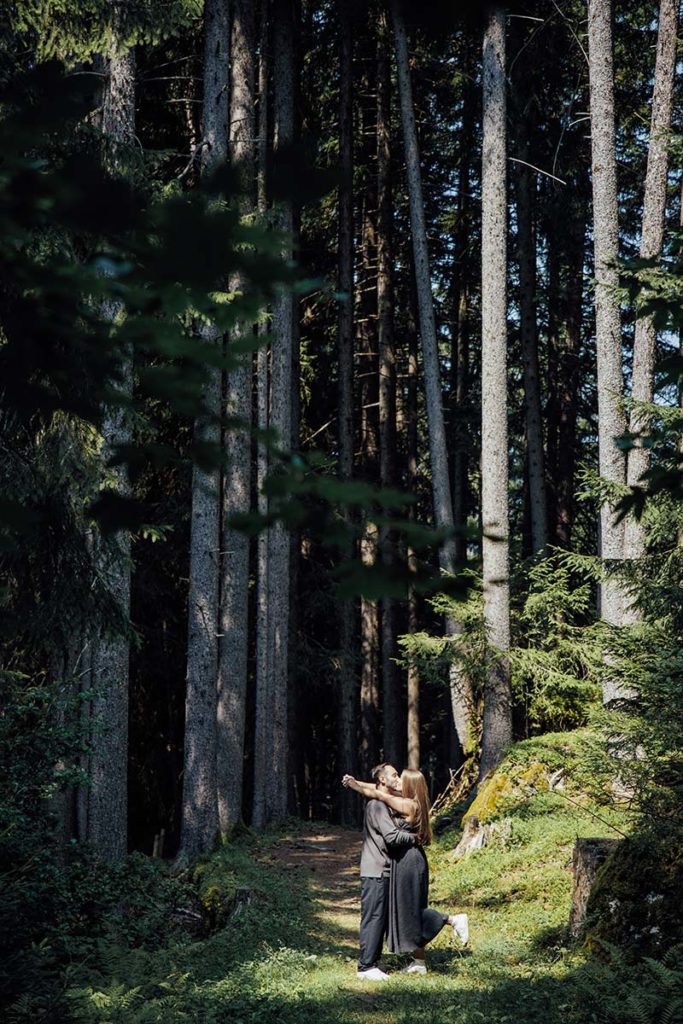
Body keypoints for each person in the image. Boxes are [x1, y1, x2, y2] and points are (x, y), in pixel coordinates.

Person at [343, 767, 469, 975]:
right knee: (409, 908)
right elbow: (377, 788)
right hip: (405, 861)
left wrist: (356, 786)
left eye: (400, 779)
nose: (398, 781)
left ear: (410, 786)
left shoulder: (408, 804)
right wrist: (355, 783)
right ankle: (419, 962)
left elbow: (379, 794)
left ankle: (452, 919)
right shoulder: (405, 800)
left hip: (408, 861)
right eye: (395, 777)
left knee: (410, 910)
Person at [355, 763, 416, 981]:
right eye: (394, 775)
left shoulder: (383, 804)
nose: (398, 778)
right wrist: (417, 838)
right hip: (376, 869)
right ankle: (366, 966)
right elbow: (392, 837)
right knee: (374, 917)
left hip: (380, 869)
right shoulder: (378, 806)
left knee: (378, 917)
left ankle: (371, 963)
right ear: (382, 780)